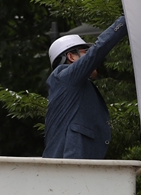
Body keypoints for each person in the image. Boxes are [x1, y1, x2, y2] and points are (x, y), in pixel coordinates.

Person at [43, 16, 128, 160]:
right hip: (70, 164)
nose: (90, 59)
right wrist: (126, 20)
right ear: (71, 56)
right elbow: (98, 49)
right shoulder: (64, 76)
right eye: (85, 52)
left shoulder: (71, 85)